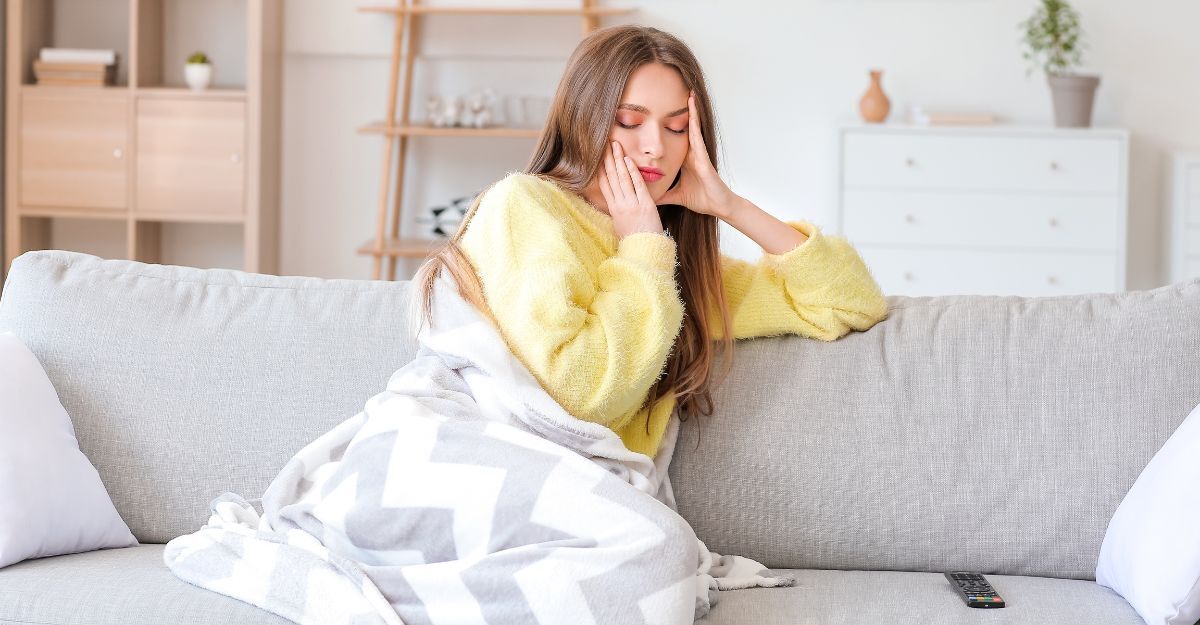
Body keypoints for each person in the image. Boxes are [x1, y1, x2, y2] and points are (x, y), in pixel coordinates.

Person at [414, 24, 888, 461]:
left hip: (594, 490)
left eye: (677, 126)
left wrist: (731, 206)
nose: (655, 146)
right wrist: (641, 245)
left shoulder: (668, 265)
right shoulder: (524, 205)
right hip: (491, 467)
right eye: (629, 120)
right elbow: (578, 395)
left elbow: (849, 303)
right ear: (585, 120)